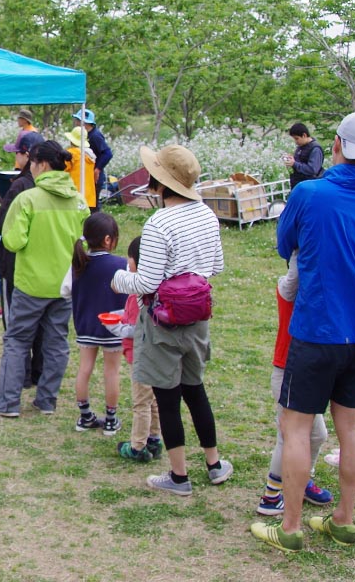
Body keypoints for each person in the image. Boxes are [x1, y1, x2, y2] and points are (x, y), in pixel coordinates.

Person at [251, 111, 355, 552]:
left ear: (335, 145)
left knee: (295, 428)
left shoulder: (310, 193)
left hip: (318, 329)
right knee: (350, 427)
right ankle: (343, 519)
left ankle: (291, 526)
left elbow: (285, 245)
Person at [112, 144, 231, 496]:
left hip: (162, 321)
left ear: (160, 182)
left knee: (167, 397)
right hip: (196, 318)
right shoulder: (207, 214)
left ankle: (179, 477)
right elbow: (216, 267)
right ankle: (214, 464)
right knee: (195, 391)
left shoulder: (159, 223)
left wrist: (118, 280)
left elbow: (146, 283)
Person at [0, 140, 88, 417]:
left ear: (41, 164)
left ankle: (7, 403)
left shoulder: (27, 199)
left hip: (30, 284)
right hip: (64, 285)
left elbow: (13, 241)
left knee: (17, 341)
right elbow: (84, 243)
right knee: (56, 342)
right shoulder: (78, 201)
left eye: (32, 162)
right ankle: (46, 400)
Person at [254, 250, 335, 516]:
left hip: (306, 370)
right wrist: (306, 245)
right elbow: (295, 274)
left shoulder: (316, 291)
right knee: (288, 436)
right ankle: (270, 496)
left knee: (317, 434)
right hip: (287, 371)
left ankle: (300, 480)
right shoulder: (288, 288)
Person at [62, 212, 128, 434]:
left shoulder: (78, 263)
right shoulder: (121, 264)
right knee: (112, 372)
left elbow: (64, 291)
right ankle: (111, 419)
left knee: (84, 369)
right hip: (114, 326)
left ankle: (85, 416)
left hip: (86, 325)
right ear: (108, 239)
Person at [0, 131, 46, 384]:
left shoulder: (20, 186)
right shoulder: (53, 186)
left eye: (16, 152)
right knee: (40, 322)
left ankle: (21, 373)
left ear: (28, 155)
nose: (14, 157)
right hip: (42, 264)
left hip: (15, 263)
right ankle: (38, 371)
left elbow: (2, 225)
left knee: (16, 323)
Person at [109, 238, 164, 462]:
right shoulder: (158, 289)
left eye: (129, 257)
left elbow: (135, 329)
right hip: (159, 354)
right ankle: (154, 438)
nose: (127, 262)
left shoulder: (137, 294)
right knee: (154, 399)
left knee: (141, 400)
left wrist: (116, 327)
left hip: (141, 355)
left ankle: (137, 446)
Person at [72, 109, 113, 209]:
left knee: (92, 204)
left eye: (78, 120)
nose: (76, 123)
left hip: (95, 174)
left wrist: (98, 169)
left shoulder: (95, 136)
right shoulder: (85, 134)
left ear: (86, 123)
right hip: (86, 174)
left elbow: (108, 153)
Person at [65, 127, 98, 212]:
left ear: (71, 141)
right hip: (89, 198)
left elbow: (60, 171)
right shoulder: (90, 155)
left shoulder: (71, 154)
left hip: (74, 196)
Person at [284, 122, 324, 188]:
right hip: (299, 184)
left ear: (304, 135)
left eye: (297, 138)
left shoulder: (315, 149)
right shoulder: (301, 147)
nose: (296, 142)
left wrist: (294, 164)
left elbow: (312, 169)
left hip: (310, 186)